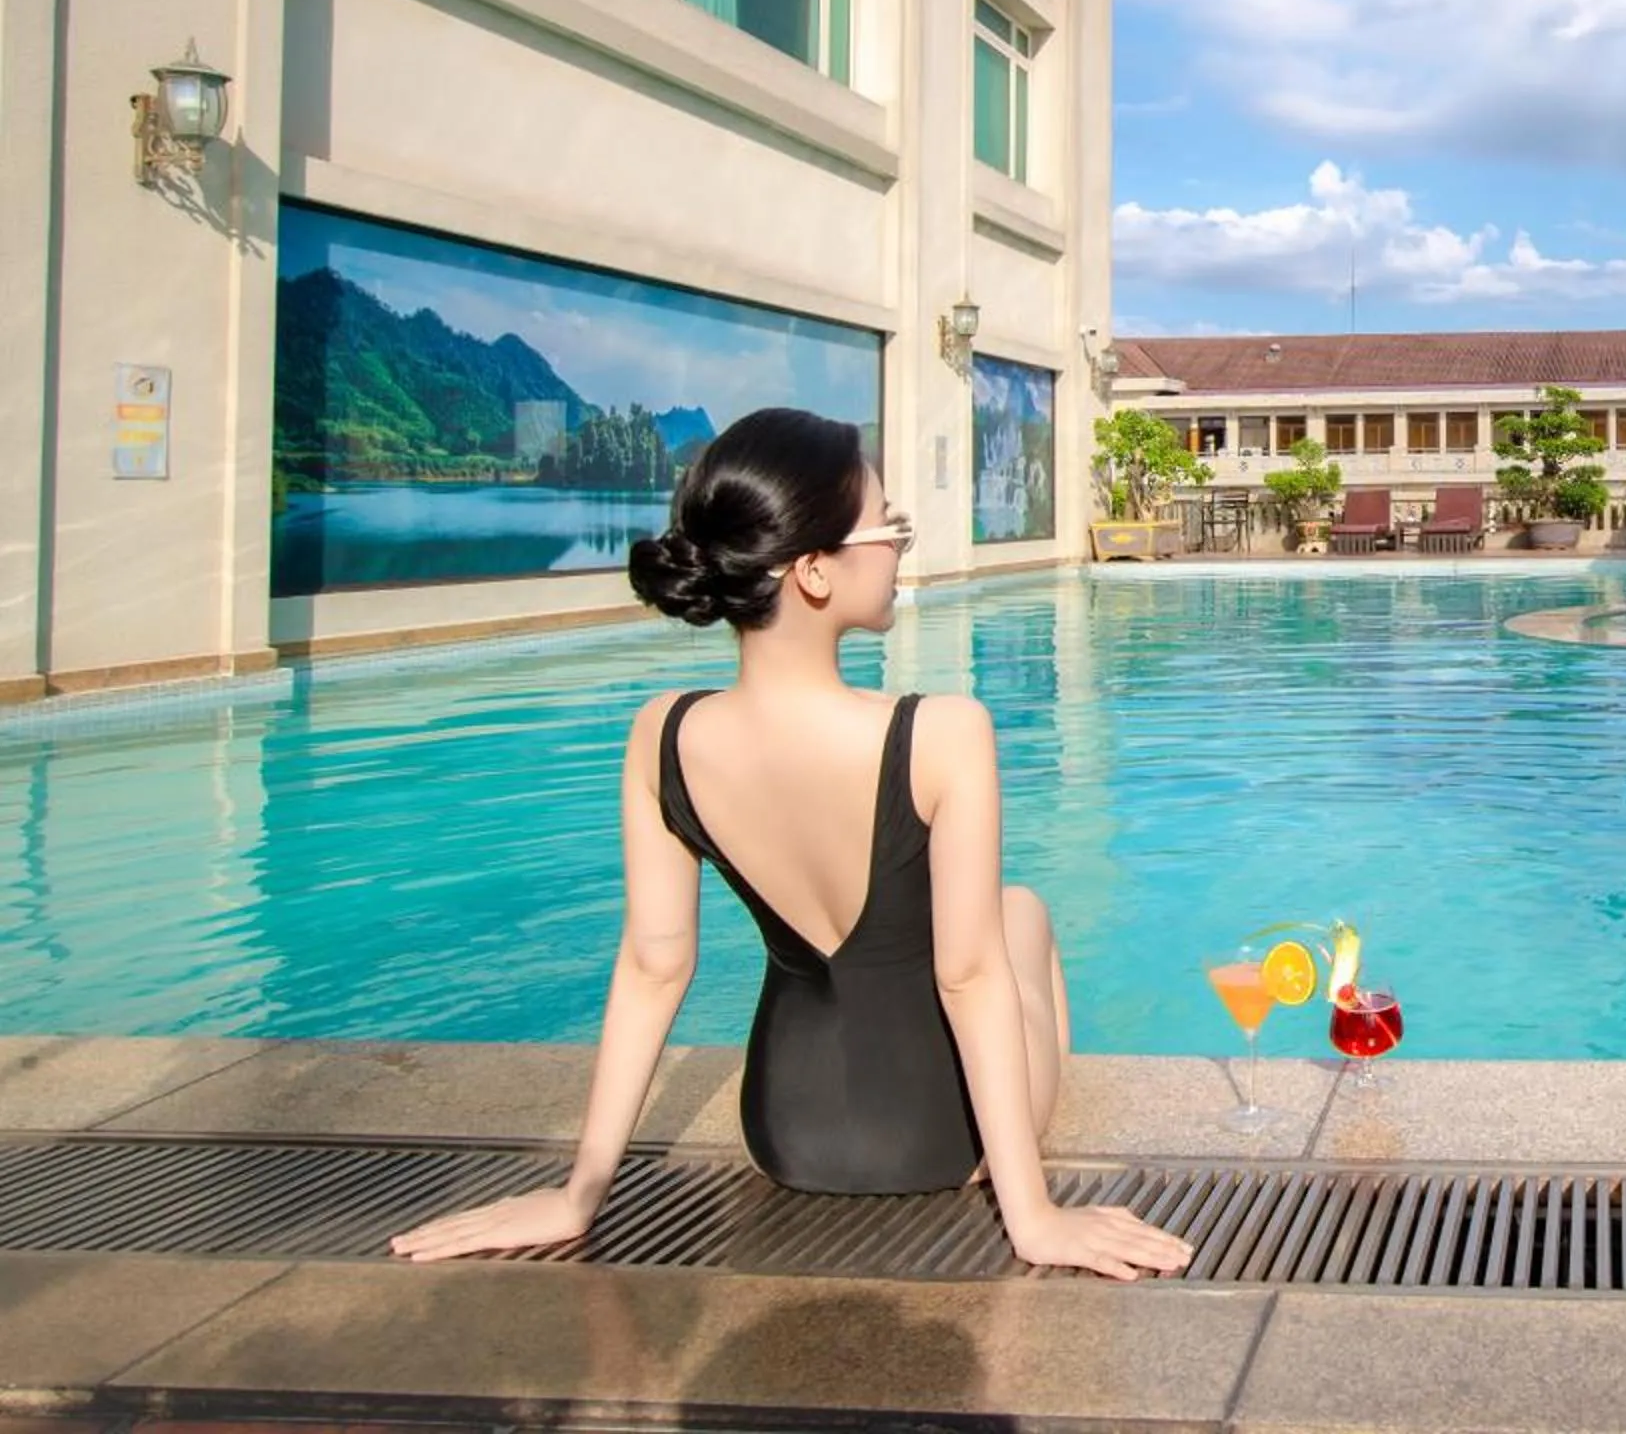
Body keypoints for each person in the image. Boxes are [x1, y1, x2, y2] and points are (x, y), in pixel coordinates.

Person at [389, 408, 1192, 1282]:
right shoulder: (943, 732)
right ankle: (1021, 1168)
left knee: (987, 921)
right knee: (1022, 915)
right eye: (887, 527)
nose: (899, 549)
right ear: (813, 570)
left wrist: (579, 1193)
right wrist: (1032, 1219)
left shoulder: (664, 734)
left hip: (786, 1130)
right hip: (938, 1137)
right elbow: (967, 978)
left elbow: (654, 968)